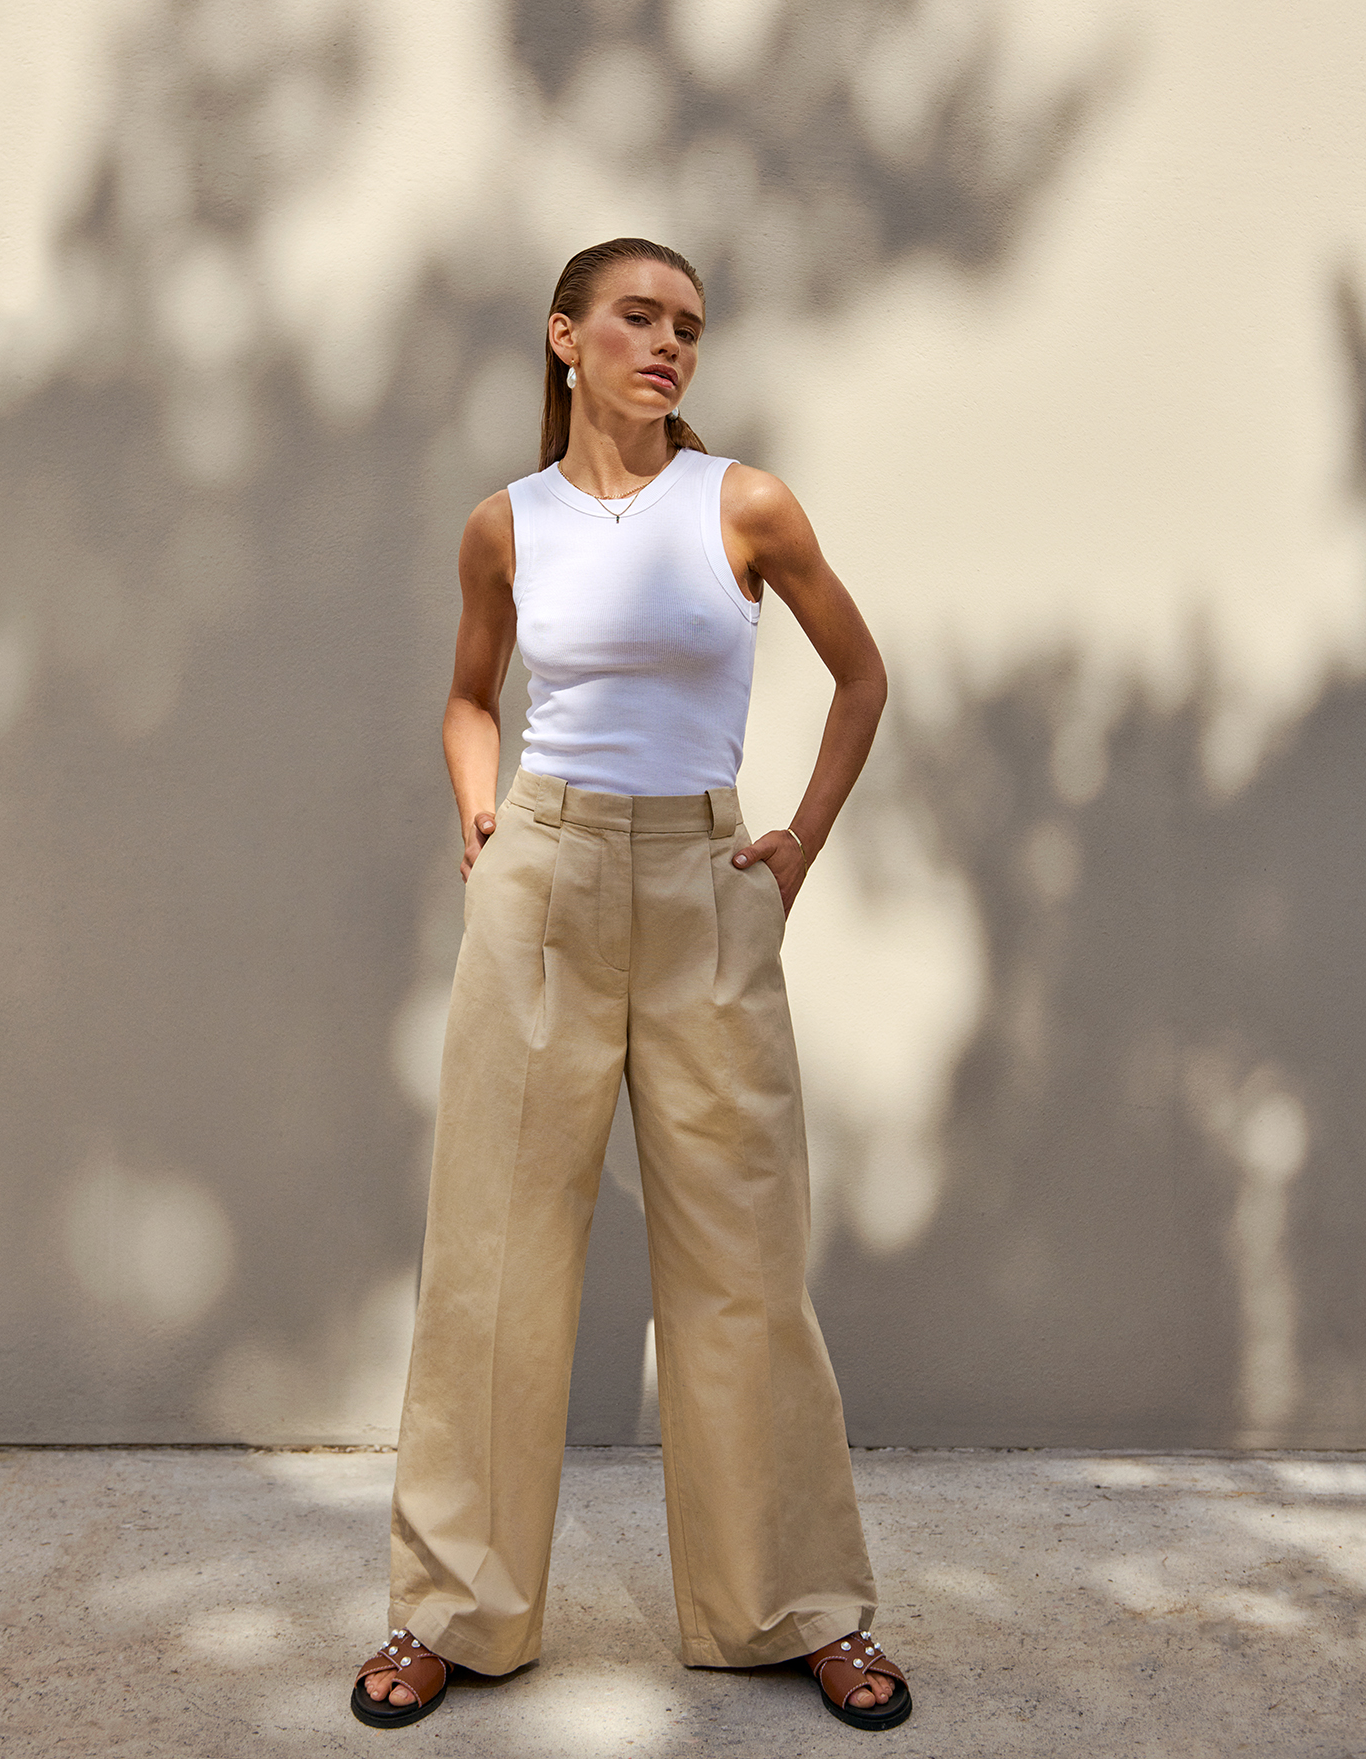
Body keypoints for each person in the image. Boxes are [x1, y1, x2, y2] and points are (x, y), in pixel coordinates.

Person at [350, 237, 910, 1732]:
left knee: (742, 1263)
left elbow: (861, 677)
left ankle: (794, 1606)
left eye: (690, 329)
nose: (668, 347)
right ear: (564, 336)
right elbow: (470, 696)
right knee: (491, 1257)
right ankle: (450, 1611)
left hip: (702, 889)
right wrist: (480, 809)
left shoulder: (743, 505)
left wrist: (790, 847)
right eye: (639, 319)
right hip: (540, 883)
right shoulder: (506, 526)